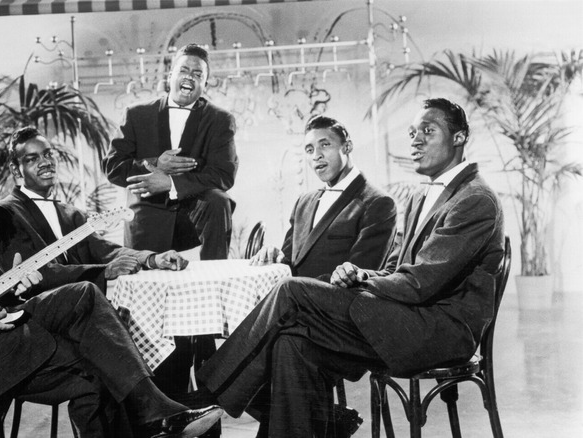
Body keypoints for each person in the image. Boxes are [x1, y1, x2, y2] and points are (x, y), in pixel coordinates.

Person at [0, 137, 222, 438]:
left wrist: (12, 288)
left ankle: (158, 414)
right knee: (95, 342)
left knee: (97, 358)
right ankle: (159, 413)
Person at [192, 98, 505, 437]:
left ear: (459, 138)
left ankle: (209, 393)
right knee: (292, 343)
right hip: (410, 317)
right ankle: (320, 421)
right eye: (413, 132)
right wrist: (364, 274)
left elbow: (420, 283)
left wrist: (359, 284)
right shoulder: (421, 196)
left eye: (427, 132)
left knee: (290, 290)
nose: (414, 141)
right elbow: (398, 269)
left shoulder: (474, 199)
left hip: (438, 331)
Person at [0, 126, 188, 295]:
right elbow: (32, 273)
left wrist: (152, 259)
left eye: (47, 154)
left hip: (85, 308)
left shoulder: (71, 213)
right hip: (39, 320)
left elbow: (106, 250)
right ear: (16, 169)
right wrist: (104, 271)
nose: (45, 162)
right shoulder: (1, 213)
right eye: (32, 159)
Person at [103, 43, 238, 261]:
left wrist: (173, 184)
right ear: (170, 75)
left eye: (198, 74)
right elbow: (113, 166)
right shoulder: (136, 114)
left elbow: (223, 174)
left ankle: (216, 274)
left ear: (205, 83)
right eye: (184, 70)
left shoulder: (219, 120)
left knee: (219, 200)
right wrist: (156, 164)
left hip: (193, 216)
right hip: (147, 214)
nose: (190, 77)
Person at [250, 115, 397, 280]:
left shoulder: (378, 203)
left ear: (347, 147)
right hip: (291, 300)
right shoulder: (303, 203)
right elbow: (290, 265)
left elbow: (358, 279)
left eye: (325, 145)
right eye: (309, 150)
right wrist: (276, 257)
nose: (316, 156)